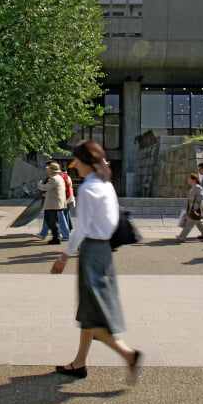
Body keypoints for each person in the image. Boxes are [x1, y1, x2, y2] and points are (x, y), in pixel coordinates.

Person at [51, 140, 142, 383]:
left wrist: (63, 256)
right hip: (104, 250)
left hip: (91, 250)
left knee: (93, 313)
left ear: (86, 162)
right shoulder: (106, 184)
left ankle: (128, 354)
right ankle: (79, 363)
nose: (75, 167)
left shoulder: (88, 189)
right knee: (89, 309)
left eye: (77, 162)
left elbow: (81, 229)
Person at [37, 161, 68, 244]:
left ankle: (56, 237)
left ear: (52, 170)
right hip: (56, 203)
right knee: (52, 220)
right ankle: (56, 236)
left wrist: (39, 185)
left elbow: (46, 187)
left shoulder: (54, 178)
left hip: (53, 203)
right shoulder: (59, 177)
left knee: (51, 220)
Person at [176, 172, 203, 242]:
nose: (188, 180)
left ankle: (182, 236)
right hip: (193, 208)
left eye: (189, 179)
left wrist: (193, 198)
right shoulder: (193, 188)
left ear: (194, 180)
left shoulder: (198, 187)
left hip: (196, 208)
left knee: (190, 222)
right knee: (200, 223)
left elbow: (202, 196)